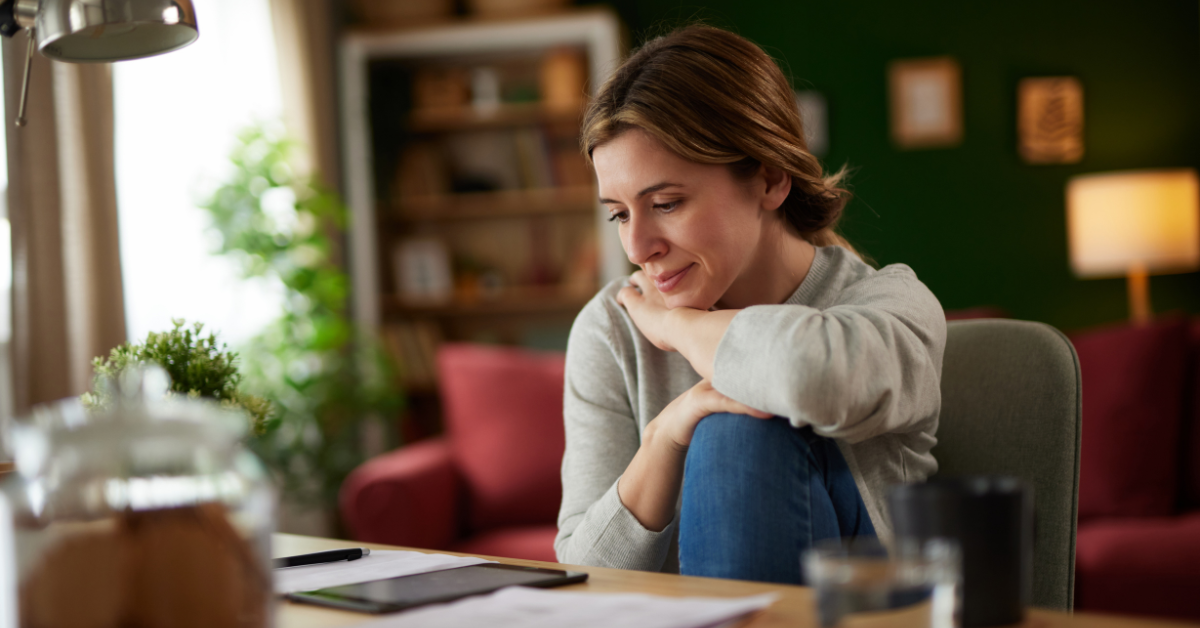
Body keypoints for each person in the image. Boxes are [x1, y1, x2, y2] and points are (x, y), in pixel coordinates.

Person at [553, 24, 946, 585]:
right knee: (713, 417)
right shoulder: (611, 330)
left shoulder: (891, 306)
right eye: (619, 213)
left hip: (866, 615)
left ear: (770, 178)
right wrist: (666, 437)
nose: (638, 247)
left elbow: (805, 374)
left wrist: (676, 326)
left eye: (665, 203)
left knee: (740, 423)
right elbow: (582, 574)